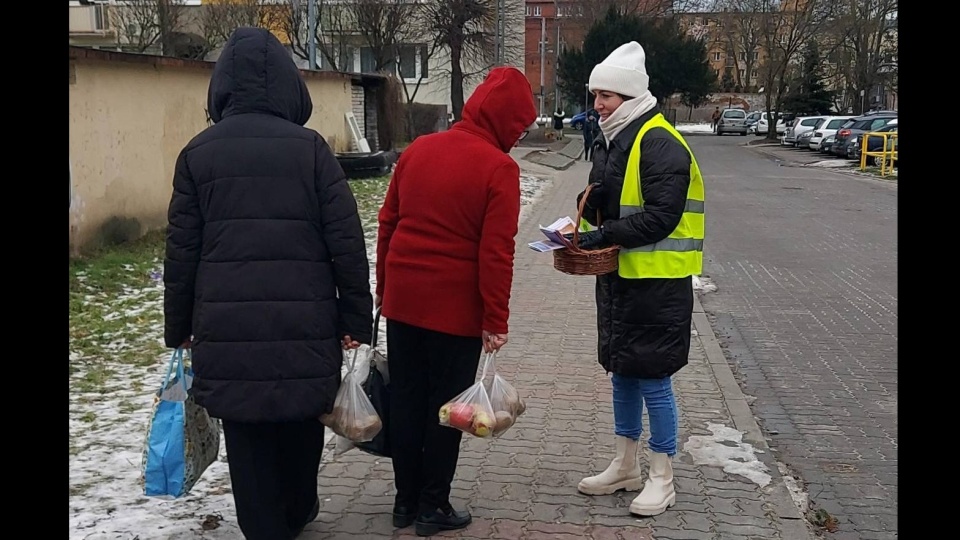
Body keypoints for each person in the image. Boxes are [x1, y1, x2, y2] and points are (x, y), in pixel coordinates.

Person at [163, 27, 373, 540]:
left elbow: (182, 252)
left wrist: (179, 326)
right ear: (289, 86)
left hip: (228, 328)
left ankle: (264, 525)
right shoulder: (312, 151)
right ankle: (298, 508)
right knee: (302, 421)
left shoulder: (197, 154)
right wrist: (354, 320)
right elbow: (346, 242)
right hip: (306, 323)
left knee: (248, 438)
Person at [375, 66, 537, 537]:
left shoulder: (419, 149)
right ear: (505, 119)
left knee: (406, 400)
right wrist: (495, 318)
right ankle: (432, 505)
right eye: (519, 127)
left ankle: (404, 502)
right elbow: (495, 251)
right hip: (454, 310)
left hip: (404, 303)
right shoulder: (499, 168)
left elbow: (388, 223)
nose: (519, 136)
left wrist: (385, 286)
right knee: (449, 409)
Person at [568, 41, 705, 518]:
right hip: (622, 280)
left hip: (657, 284)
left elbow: (662, 217)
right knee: (622, 373)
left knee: (654, 380)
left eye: (606, 95)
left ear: (629, 96)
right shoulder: (615, 136)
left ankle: (662, 475)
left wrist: (603, 233)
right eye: (596, 95)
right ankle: (625, 464)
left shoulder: (658, 141)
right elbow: (604, 196)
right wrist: (578, 226)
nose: (597, 104)